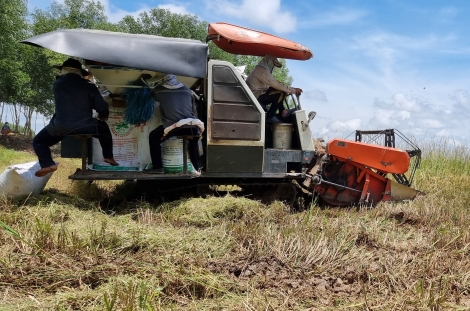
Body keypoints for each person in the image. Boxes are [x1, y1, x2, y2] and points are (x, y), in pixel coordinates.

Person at [32, 58, 119, 177]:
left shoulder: (57, 84)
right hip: (86, 125)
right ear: (80, 73)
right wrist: (104, 113)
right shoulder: (88, 86)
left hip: (59, 126)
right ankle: (108, 156)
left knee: (39, 141)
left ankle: (48, 164)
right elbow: (101, 106)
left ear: (63, 71)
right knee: (103, 128)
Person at [144, 74, 202, 177]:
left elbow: (150, 95)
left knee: (153, 137)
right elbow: (193, 110)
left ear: (162, 80)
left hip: (174, 126)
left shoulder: (159, 90)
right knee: (193, 141)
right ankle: (197, 167)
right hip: (192, 125)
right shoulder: (187, 90)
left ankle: (157, 167)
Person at [246, 54, 303, 123]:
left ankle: (283, 111)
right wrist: (293, 90)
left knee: (279, 91)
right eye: (273, 64)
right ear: (269, 62)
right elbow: (276, 84)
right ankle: (270, 117)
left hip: (257, 95)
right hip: (255, 98)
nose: (273, 67)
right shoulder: (261, 70)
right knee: (281, 91)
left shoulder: (259, 70)